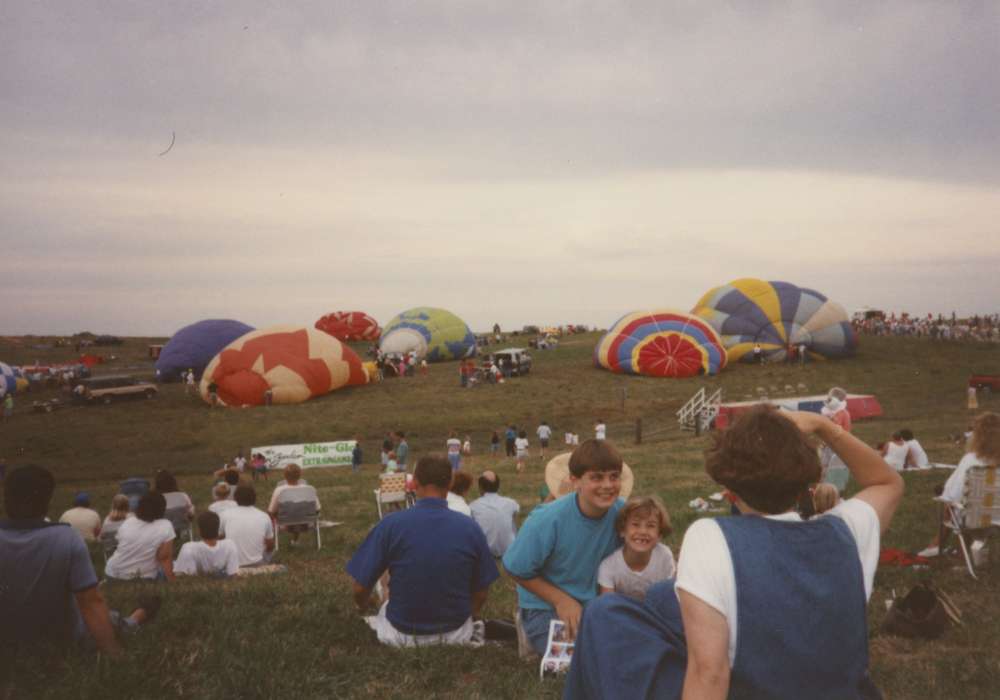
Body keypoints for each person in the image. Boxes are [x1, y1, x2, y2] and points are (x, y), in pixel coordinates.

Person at [564, 406, 902, 700]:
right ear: (810, 479)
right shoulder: (849, 529)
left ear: (728, 488)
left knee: (605, 613)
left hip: (751, 689)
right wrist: (824, 425)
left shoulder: (711, 537)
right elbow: (888, 482)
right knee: (663, 596)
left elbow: (709, 673)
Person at [1, 465, 159, 665]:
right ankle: (137, 617)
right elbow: (91, 602)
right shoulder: (66, 538)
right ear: (47, 501)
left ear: (6, 499)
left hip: (7, 642)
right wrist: (116, 655)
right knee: (108, 619)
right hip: (60, 642)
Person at [346, 454, 499, 647]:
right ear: (450, 482)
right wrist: (468, 615)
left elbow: (360, 588)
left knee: (384, 579)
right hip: (456, 634)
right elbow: (481, 592)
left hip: (399, 634)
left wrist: (363, 605)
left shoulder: (390, 525)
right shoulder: (470, 527)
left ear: (415, 482)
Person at [502, 439, 626, 656]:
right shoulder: (548, 519)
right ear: (575, 481)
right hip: (545, 607)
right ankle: (528, 628)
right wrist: (561, 600)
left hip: (597, 604)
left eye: (614, 476)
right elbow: (514, 567)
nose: (607, 485)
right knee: (585, 661)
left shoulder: (622, 514)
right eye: (596, 477)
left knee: (627, 649)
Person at [920, 412, 1000, 557]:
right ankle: (958, 550)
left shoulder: (971, 460)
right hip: (997, 517)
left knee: (953, 504)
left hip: (974, 518)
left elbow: (952, 494)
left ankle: (939, 545)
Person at [597, 495, 675, 602]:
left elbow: (671, 596)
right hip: (623, 614)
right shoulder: (609, 566)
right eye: (635, 524)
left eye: (650, 525)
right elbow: (606, 606)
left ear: (659, 534)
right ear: (622, 530)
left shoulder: (664, 556)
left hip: (657, 612)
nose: (643, 531)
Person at [105, 492, 177, 581]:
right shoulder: (166, 525)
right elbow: (164, 557)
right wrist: (172, 580)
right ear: (162, 509)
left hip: (112, 573)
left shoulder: (128, 522)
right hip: (144, 577)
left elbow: (119, 545)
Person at [219, 484, 275, 567]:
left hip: (231, 563)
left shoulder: (224, 514)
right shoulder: (264, 516)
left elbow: (219, 538)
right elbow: (270, 545)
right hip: (257, 562)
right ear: (255, 498)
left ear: (235, 498)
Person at [469, 470, 520, 558]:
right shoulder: (511, 503)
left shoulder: (473, 506)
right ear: (498, 486)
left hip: (485, 552)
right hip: (509, 549)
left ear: (480, 487)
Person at [267, 463, 321, 545]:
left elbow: (271, 511)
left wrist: (277, 517)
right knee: (298, 511)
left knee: (284, 512)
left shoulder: (279, 490)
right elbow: (317, 509)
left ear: (284, 476)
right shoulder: (309, 489)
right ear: (300, 475)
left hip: (284, 523)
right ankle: (295, 539)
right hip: (306, 522)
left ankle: (270, 537)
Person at [174, 511, 240, 578]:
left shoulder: (189, 547)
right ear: (218, 529)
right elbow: (233, 574)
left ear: (199, 530)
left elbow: (183, 575)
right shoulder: (229, 545)